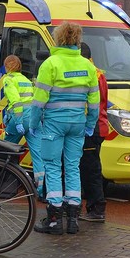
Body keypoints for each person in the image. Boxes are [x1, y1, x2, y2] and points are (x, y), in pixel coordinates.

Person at [31, 21, 99, 235]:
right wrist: (89, 125)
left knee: (52, 167)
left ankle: (54, 220)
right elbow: (94, 104)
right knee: (72, 167)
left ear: (58, 38)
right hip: (78, 124)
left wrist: (33, 125)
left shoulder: (50, 64)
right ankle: (73, 220)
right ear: (78, 40)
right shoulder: (88, 66)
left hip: (53, 124)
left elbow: (38, 101)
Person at [1, 55, 44, 199]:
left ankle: (6, 183)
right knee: (38, 154)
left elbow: (16, 101)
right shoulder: (26, 80)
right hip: (33, 119)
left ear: (7, 66)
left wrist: (17, 121)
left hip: (20, 117)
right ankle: (41, 188)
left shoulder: (9, 79)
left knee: (7, 149)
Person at [78, 42, 109, 223]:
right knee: (90, 168)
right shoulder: (98, 73)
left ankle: (96, 209)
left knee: (90, 170)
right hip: (99, 126)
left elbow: (92, 105)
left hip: (92, 126)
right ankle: (93, 206)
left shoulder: (89, 74)